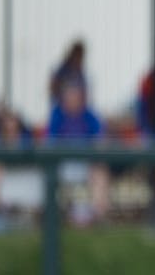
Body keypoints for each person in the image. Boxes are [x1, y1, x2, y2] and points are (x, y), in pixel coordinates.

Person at [47, 80, 109, 225]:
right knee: (49, 176)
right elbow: (50, 143)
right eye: (69, 96)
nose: (72, 100)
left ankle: (98, 218)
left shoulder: (90, 115)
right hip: (62, 163)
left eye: (75, 96)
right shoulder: (57, 114)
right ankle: (59, 218)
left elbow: (101, 142)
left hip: (86, 164)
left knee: (100, 174)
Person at [49, 40, 88, 107]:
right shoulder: (62, 71)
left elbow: (84, 93)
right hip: (60, 106)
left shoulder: (80, 73)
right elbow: (52, 87)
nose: (79, 59)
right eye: (78, 55)